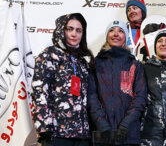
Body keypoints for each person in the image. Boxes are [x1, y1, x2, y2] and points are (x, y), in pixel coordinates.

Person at [32, 13, 94, 146]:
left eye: (78, 30)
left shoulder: (83, 61)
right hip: (57, 133)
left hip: (82, 135)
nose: (74, 34)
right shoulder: (50, 54)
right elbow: (40, 91)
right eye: (69, 29)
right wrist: (44, 127)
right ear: (61, 30)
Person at [88, 20, 147, 145]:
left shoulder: (135, 65)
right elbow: (91, 97)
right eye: (111, 30)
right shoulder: (95, 64)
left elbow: (140, 97)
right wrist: (102, 125)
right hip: (102, 133)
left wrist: (126, 124)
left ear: (125, 37)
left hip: (128, 132)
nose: (116, 34)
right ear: (107, 36)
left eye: (120, 31)